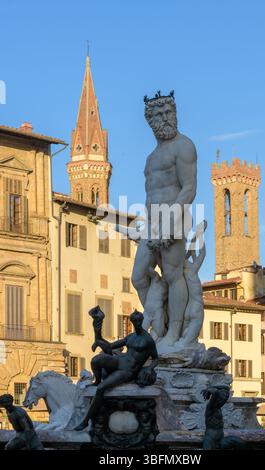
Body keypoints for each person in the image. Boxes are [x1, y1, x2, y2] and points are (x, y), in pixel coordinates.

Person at [132, 91, 197, 347]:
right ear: (150, 120)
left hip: (175, 217)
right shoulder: (151, 157)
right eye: (159, 114)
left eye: (169, 112)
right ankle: (158, 327)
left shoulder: (184, 146)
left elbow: (189, 187)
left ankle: (175, 334)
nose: (165, 118)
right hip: (152, 222)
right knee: (138, 277)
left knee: (173, 274)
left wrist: (171, 219)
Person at [75, 310, 158, 431]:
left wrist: (150, 368)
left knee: (101, 388)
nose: (137, 323)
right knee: (96, 360)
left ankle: (86, 421)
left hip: (128, 370)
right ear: (132, 322)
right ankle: (97, 380)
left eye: (139, 321)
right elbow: (110, 346)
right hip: (120, 361)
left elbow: (156, 358)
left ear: (142, 320)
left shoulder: (148, 340)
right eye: (135, 321)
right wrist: (98, 334)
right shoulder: (131, 337)